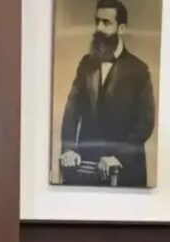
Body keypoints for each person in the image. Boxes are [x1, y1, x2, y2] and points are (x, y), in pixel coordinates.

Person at [58, 0, 155, 187]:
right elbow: (71, 110)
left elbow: (145, 123)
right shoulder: (86, 64)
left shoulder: (139, 70)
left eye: (106, 22)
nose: (99, 28)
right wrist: (68, 149)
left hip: (126, 172)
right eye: (97, 21)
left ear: (122, 28)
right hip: (86, 169)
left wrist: (118, 157)